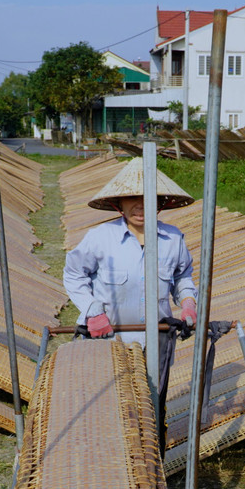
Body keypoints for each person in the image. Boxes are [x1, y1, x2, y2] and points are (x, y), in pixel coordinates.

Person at [63, 158, 198, 442]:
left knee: (152, 410)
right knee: (109, 410)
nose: (141, 206)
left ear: (160, 203)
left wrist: (187, 301)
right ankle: (111, 473)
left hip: (156, 339)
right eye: (133, 198)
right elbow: (74, 274)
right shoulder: (101, 238)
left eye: (149, 199)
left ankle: (152, 474)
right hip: (108, 340)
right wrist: (92, 311)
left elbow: (183, 275)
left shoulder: (173, 239)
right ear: (119, 204)